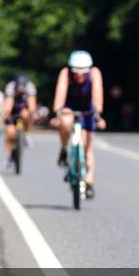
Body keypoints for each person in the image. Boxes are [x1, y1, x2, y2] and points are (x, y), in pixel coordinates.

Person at [51, 50, 106, 199]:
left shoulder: (94, 73)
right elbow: (60, 94)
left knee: (87, 146)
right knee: (66, 121)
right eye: (76, 71)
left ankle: (88, 182)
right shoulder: (65, 73)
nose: (79, 75)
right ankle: (63, 149)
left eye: (83, 72)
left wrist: (98, 115)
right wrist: (57, 113)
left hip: (88, 108)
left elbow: (97, 95)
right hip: (70, 105)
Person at [3, 74, 37, 168]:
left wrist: (32, 113)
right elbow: (8, 104)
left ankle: (26, 133)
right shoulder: (11, 87)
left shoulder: (30, 87)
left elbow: (32, 103)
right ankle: (8, 157)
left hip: (23, 110)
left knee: (25, 114)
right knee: (10, 133)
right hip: (13, 111)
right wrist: (6, 114)